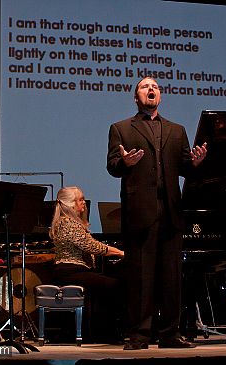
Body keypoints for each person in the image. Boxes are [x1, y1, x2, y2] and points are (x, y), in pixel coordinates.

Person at [106, 77, 207, 350]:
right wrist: (124, 162)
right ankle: (139, 335)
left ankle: (170, 334)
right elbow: (113, 165)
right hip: (141, 211)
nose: (151, 89)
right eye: (144, 87)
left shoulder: (177, 130)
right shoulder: (121, 128)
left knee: (171, 276)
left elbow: (185, 166)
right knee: (141, 276)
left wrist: (195, 163)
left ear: (159, 96)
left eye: (155, 87)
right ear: (136, 97)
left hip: (171, 210)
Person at [49, 186, 125, 343]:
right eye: (80, 199)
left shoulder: (68, 222)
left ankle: (97, 331)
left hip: (73, 271)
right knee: (113, 285)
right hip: (69, 271)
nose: (84, 202)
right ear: (71, 204)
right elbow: (91, 246)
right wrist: (120, 252)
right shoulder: (69, 223)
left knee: (104, 284)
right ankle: (106, 333)